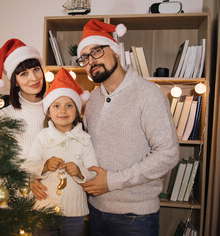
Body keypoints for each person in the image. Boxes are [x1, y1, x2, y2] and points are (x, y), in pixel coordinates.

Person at [76, 20, 180, 236]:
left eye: (96, 51)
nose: (90, 61)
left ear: (115, 52)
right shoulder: (93, 99)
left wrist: (112, 181)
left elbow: (168, 154)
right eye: (84, 57)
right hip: (95, 210)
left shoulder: (147, 93)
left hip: (135, 217)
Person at [25, 68, 98, 236]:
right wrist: (44, 166)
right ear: (49, 112)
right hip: (45, 209)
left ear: (77, 111)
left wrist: (80, 173)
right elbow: (29, 165)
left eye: (69, 105)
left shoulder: (84, 139)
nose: (63, 111)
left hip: (74, 212)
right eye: (56, 106)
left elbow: (94, 171)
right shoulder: (43, 137)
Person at [0, 38, 48, 199]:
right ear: (15, 81)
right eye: (24, 74)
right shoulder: (5, 116)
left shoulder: (56, 110)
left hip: (57, 203)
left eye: (36, 69)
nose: (34, 78)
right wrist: (27, 178)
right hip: (20, 206)